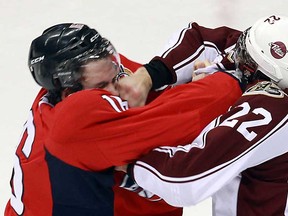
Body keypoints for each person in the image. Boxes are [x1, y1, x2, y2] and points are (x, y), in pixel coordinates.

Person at [4, 22, 244, 216]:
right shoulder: (75, 122)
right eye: (102, 85)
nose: (120, 87)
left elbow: (204, 41)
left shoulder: (98, 80)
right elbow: (193, 116)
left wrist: (150, 76)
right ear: (69, 94)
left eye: (116, 73)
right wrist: (223, 77)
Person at [123, 15, 288, 216]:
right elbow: (206, 40)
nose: (235, 57)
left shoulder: (274, 110)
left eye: (244, 62)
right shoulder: (271, 68)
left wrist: (124, 158)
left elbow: (185, 180)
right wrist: (147, 76)